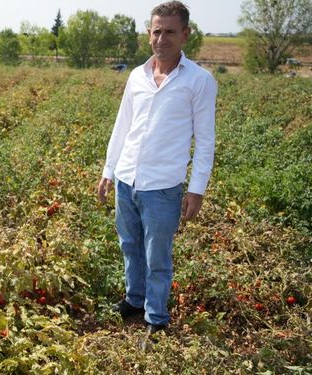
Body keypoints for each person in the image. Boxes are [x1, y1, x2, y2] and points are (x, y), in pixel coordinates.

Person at [96, 1, 217, 338]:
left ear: (185, 35)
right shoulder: (137, 75)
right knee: (129, 246)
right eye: (156, 31)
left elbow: (206, 140)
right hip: (126, 179)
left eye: (169, 32)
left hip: (163, 186)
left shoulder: (199, 81)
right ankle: (134, 300)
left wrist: (197, 189)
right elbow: (122, 127)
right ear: (149, 34)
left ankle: (156, 318)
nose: (161, 38)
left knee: (158, 256)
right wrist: (109, 170)